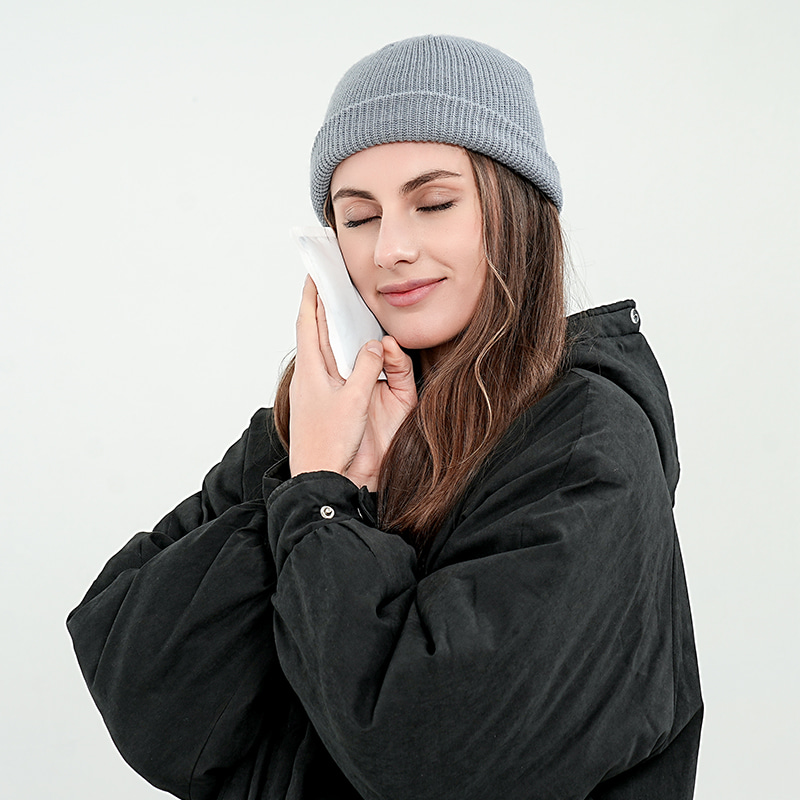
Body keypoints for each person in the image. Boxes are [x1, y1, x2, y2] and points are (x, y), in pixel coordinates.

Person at [67, 35, 702, 800]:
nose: (392, 248)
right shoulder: (319, 417)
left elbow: (424, 755)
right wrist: (320, 478)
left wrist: (326, 502)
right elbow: (142, 688)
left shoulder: (586, 442)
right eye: (359, 217)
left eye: (433, 204)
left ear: (514, 212)